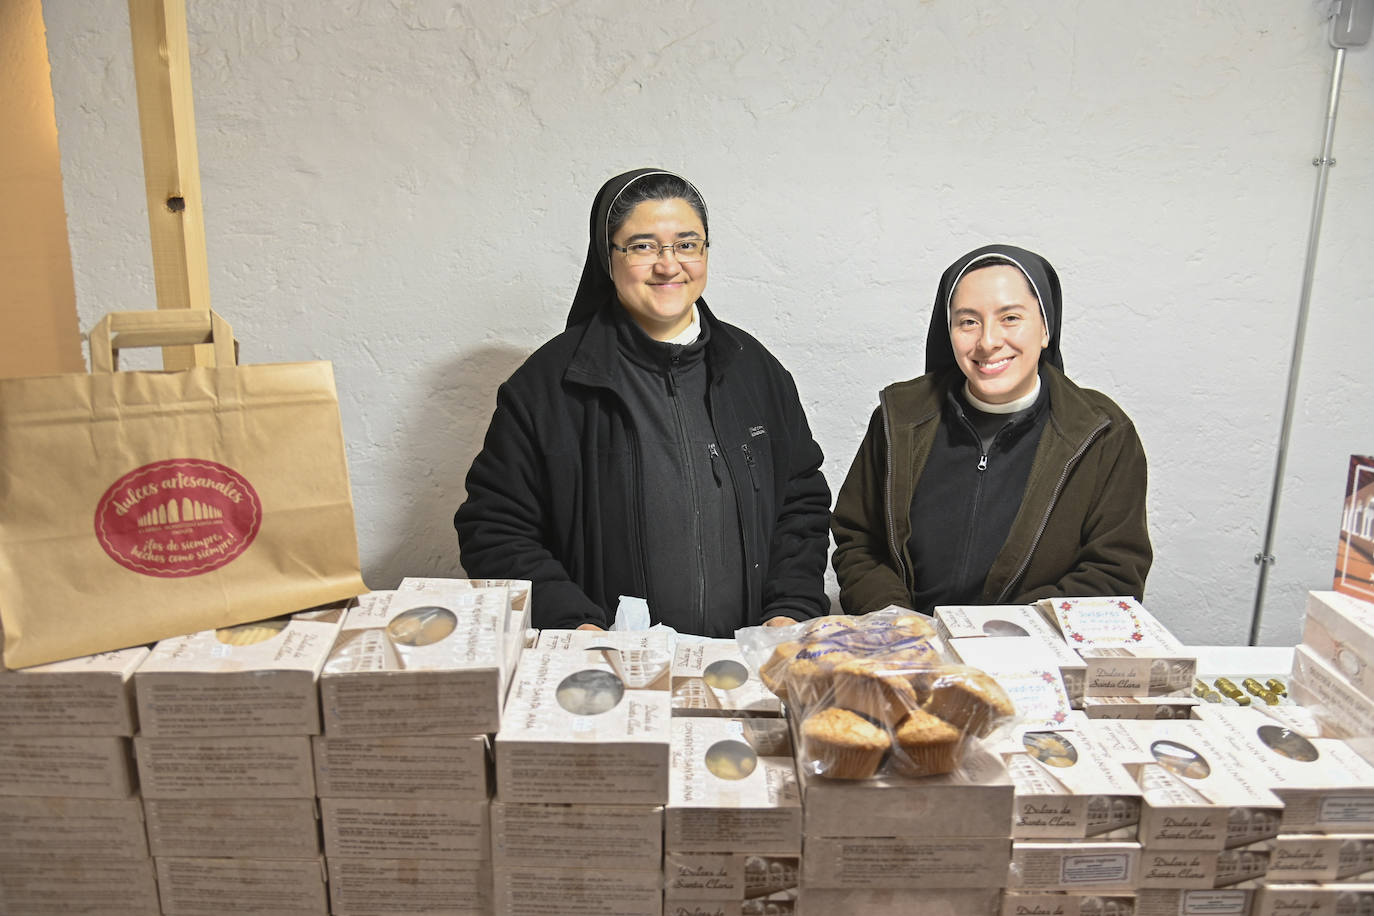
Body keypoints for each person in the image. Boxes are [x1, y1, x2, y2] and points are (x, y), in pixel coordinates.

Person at [455, 168, 830, 636]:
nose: (668, 264)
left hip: (741, 663)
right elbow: (494, 530)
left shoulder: (755, 370)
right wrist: (575, 627)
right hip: (604, 669)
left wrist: (789, 610)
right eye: (643, 245)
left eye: (687, 244)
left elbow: (801, 502)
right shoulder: (548, 385)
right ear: (606, 257)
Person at [830, 243, 1151, 615]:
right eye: (968, 321)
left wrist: (993, 634)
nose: (987, 341)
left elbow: (1114, 574)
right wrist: (897, 621)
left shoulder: (1103, 434)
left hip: (1032, 658)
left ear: (1046, 328)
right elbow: (859, 542)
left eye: (1010, 318)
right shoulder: (898, 419)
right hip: (908, 654)